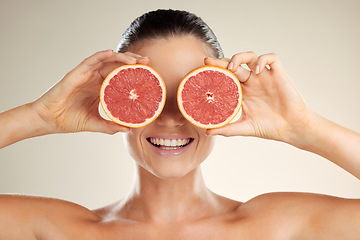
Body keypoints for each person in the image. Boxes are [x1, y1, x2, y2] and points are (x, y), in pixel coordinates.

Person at [0, 9, 360, 239]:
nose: (171, 118)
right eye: (151, 96)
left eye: (190, 98)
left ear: (225, 102)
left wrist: (303, 127)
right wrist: (39, 117)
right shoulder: (64, 230)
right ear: (116, 101)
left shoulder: (275, 226)